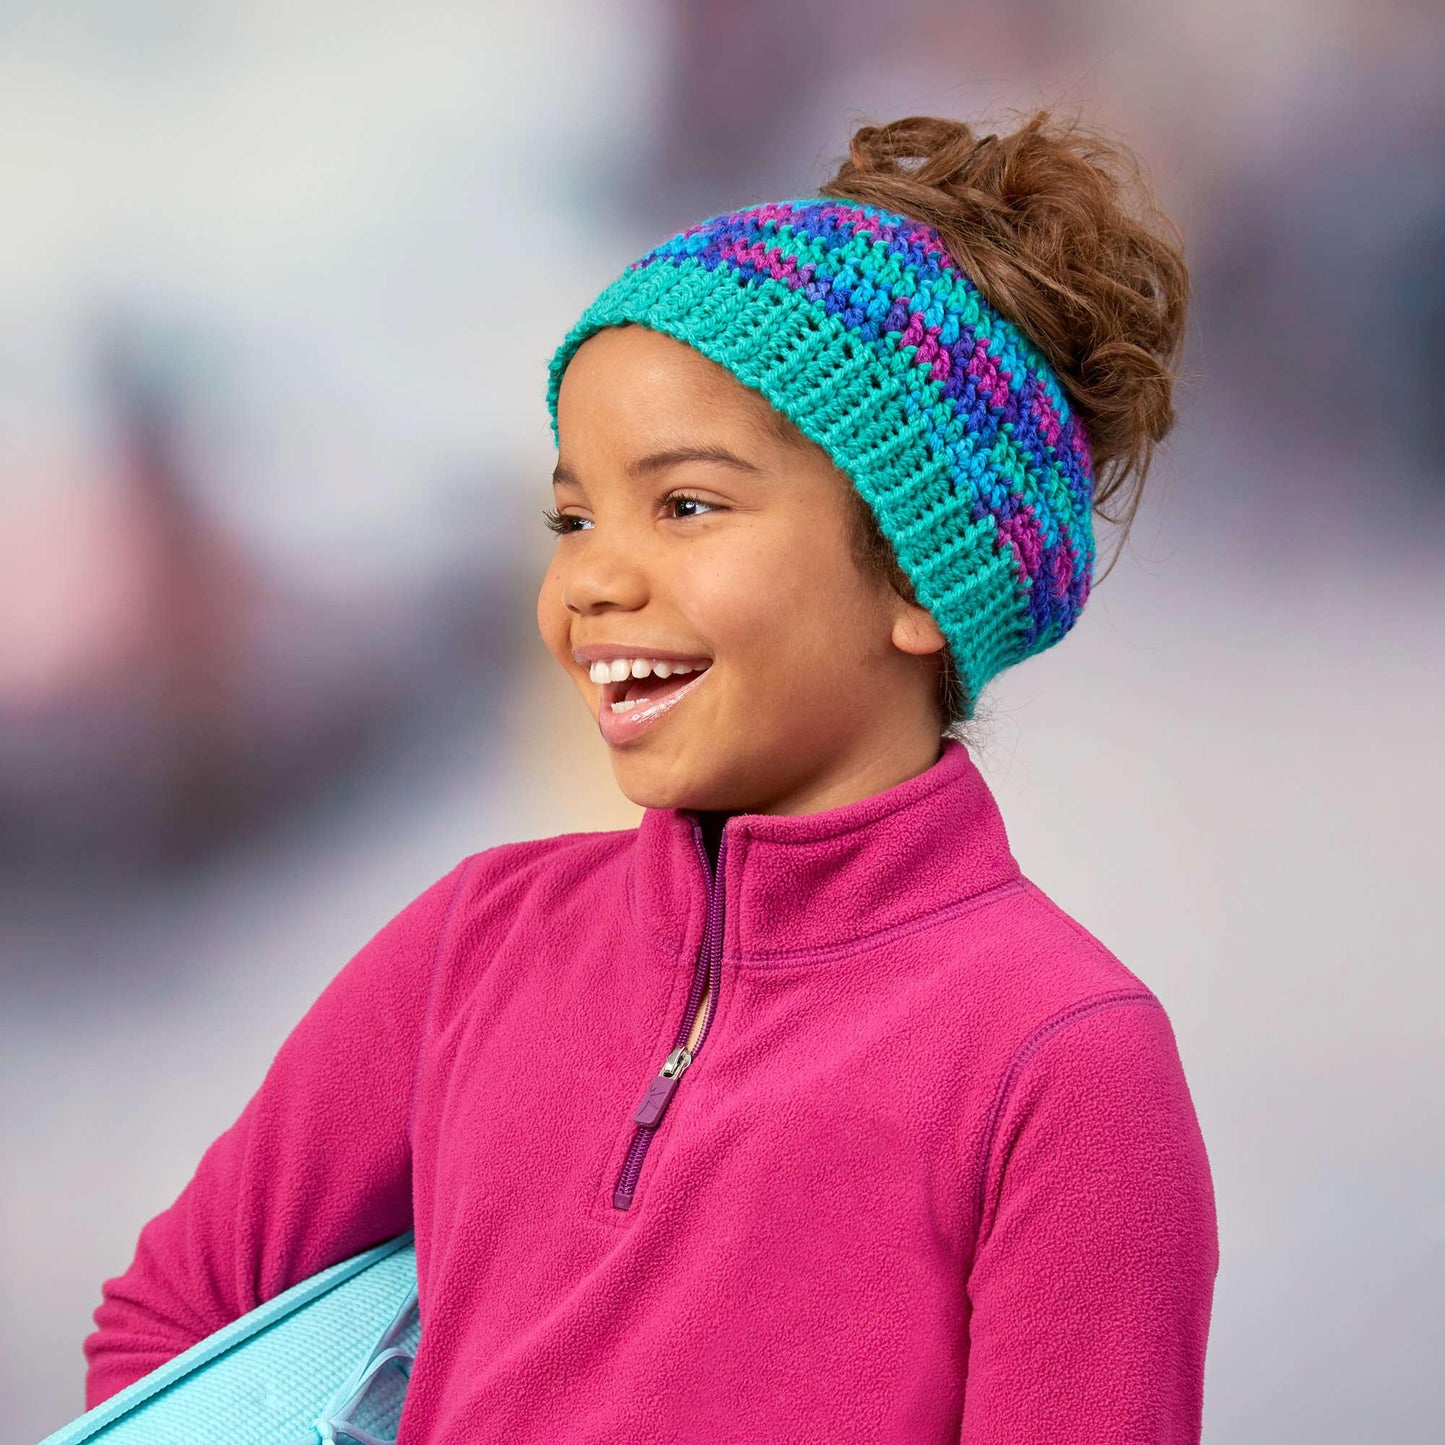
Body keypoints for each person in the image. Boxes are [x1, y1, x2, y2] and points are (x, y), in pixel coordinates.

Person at [82, 109, 1218, 1442]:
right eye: (571, 515)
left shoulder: (1061, 1059)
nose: (589, 579)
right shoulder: (475, 945)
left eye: (684, 504)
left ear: (919, 572)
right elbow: (171, 1327)